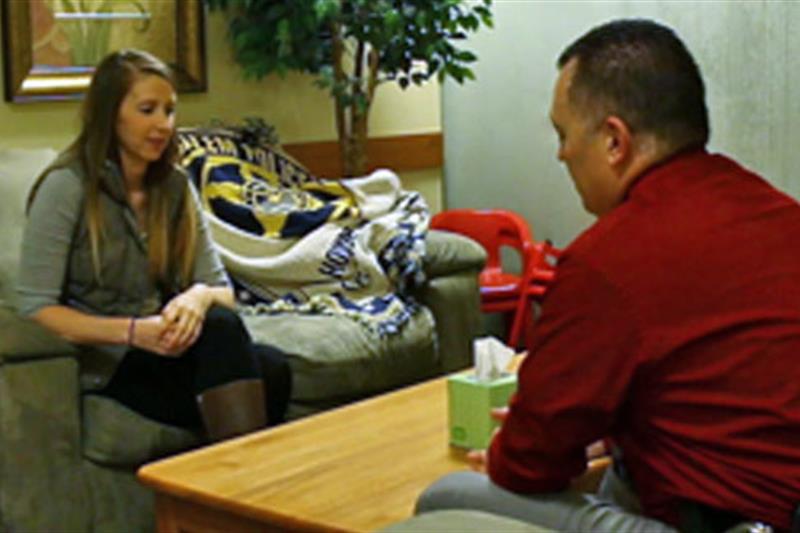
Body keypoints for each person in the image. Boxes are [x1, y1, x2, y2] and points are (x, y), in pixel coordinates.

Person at [415, 18, 800, 532]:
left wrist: (521, 449)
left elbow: (531, 462)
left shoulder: (609, 261)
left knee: (449, 497)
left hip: (730, 523)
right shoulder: (777, 213)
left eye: (564, 133)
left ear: (614, 141)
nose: (561, 154)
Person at [16, 49, 291, 442]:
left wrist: (195, 298)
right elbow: (35, 310)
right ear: (111, 114)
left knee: (273, 367)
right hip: (110, 363)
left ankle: (223, 490)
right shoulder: (67, 186)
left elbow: (221, 293)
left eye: (169, 111)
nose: (164, 125)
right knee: (230, 339)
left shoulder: (175, 187)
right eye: (148, 110)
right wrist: (132, 332)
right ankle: (242, 491)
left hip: (165, 348)